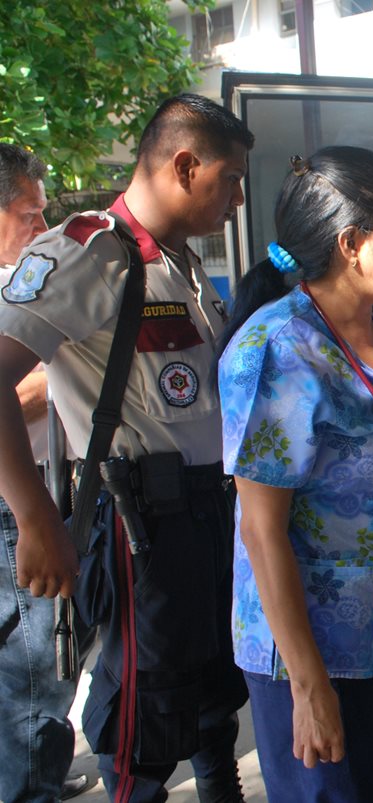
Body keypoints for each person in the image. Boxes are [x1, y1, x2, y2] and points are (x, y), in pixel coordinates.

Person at [0, 94, 254, 803]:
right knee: (144, 718)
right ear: (185, 165)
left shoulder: (180, 264)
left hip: (207, 514)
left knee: (212, 692)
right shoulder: (88, 254)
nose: (238, 199)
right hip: (143, 524)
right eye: (231, 179)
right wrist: (36, 518)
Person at [217, 146, 373, 802]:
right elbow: (261, 532)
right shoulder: (279, 352)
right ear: (350, 244)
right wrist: (309, 687)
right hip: (313, 655)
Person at [0, 143, 91, 802]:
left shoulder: (21, 281)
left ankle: (36, 777)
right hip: (17, 505)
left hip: (37, 489)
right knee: (37, 669)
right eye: (29, 214)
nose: (41, 226)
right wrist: (63, 373)